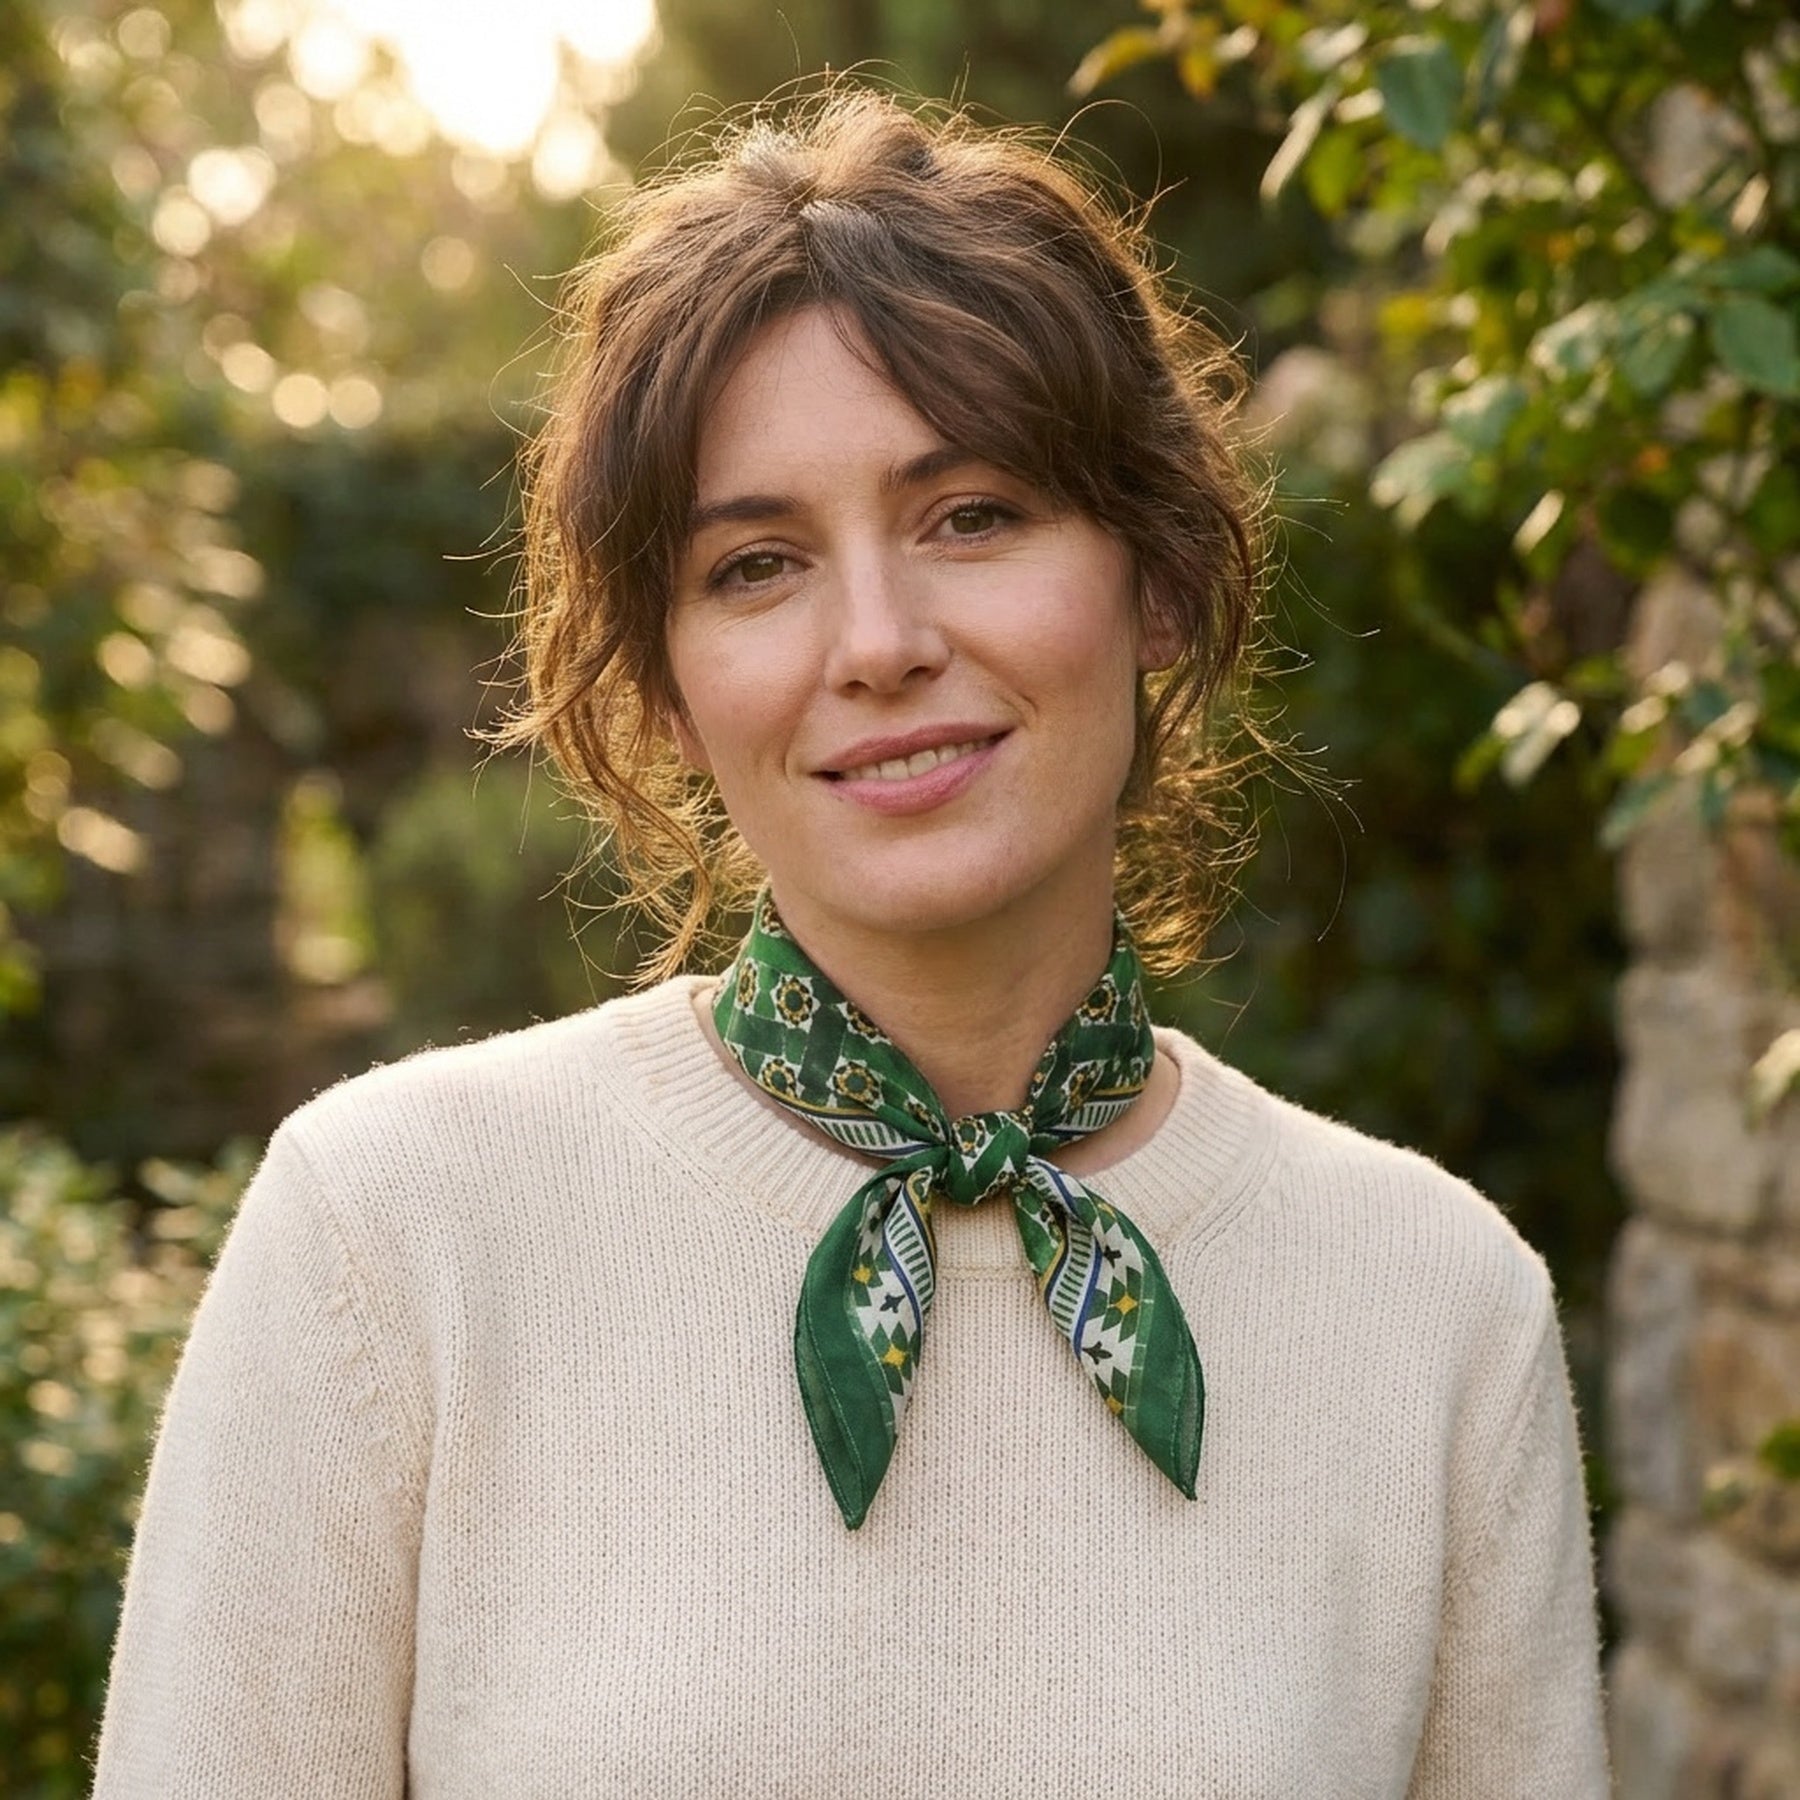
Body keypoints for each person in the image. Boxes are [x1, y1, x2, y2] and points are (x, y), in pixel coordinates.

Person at [93, 89, 1609, 1798]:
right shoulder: (395, 1236)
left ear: (1161, 575)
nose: (878, 643)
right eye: (757, 565)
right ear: (668, 690)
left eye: (975, 515)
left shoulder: (1436, 1307)